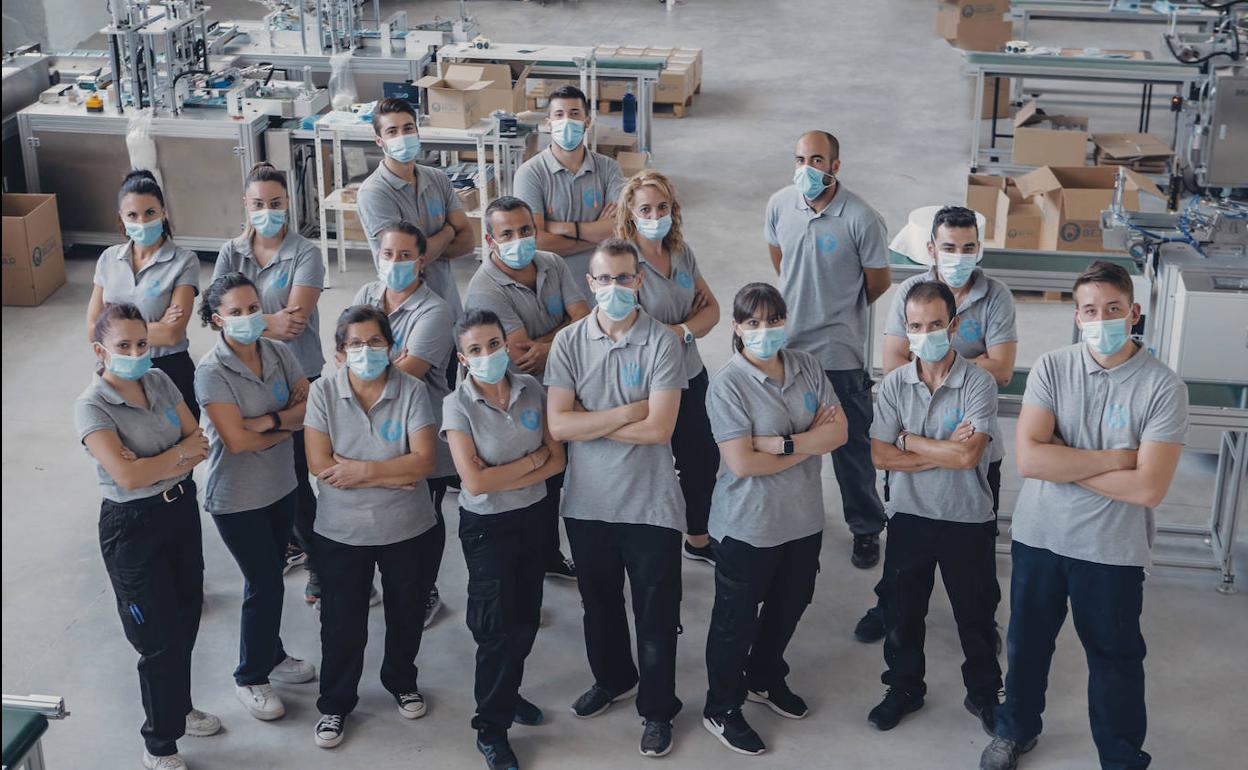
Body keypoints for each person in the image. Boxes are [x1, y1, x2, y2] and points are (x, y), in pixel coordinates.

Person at [982, 262, 1188, 770]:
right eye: (1091, 310)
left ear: (1134, 313)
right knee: (1026, 645)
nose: (1102, 319)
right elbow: (1030, 460)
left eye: (1113, 309)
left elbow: (1148, 487)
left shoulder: (1163, 388)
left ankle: (1120, 757)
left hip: (1111, 550)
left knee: (1114, 659)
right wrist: (1116, 458)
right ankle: (1016, 730)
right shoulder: (1053, 367)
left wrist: (1066, 463)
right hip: (1041, 538)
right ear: (1077, 316)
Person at [545, 238, 687, 757]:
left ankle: (657, 707)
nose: (614, 289)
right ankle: (612, 679)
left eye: (624, 278)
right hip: (587, 504)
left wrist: (592, 421)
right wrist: (629, 411)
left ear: (639, 281)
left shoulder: (662, 343)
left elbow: (660, 430)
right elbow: (558, 425)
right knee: (598, 605)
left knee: (655, 613)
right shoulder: (568, 343)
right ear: (590, 283)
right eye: (604, 279)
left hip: (650, 506)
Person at [855, 205, 1016, 643]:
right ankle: (889, 606)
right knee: (905, 546)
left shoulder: (996, 295)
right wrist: (919, 440)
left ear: (979, 248)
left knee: (977, 549)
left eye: (968, 247)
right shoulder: (909, 290)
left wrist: (940, 367)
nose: (958, 255)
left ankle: (983, 621)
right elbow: (893, 365)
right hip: (916, 432)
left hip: (976, 441)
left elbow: (1001, 371)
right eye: (949, 247)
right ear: (931, 248)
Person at [701, 283, 846, 756]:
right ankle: (721, 706)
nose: (766, 331)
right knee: (734, 621)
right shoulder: (727, 384)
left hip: (802, 518)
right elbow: (742, 464)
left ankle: (763, 677)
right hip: (749, 523)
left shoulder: (807, 366)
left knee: (791, 603)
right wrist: (807, 442)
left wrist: (780, 444)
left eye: (774, 320)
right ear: (737, 329)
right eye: (754, 322)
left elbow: (839, 431)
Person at [76, 303, 220, 770]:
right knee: (156, 637)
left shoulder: (158, 379)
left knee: (186, 616)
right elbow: (126, 478)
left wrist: (156, 463)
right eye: (124, 346)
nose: (136, 353)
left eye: (142, 343)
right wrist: (171, 458)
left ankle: (179, 707)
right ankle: (160, 743)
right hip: (131, 527)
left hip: (180, 511)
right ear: (101, 350)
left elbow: (199, 440)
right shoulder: (92, 406)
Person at [303, 305, 444, 750]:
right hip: (341, 532)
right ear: (340, 352)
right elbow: (320, 464)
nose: (366, 351)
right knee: (341, 622)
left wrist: (361, 472)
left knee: (406, 612)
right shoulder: (323, 392)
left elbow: (423, 462)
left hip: (408, 527)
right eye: (355, 344)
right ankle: (335, 703)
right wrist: (392, 472)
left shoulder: (412, 390)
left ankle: (401, 680)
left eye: (376, 342)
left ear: (393, 347)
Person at [865, 280, 1002, 733]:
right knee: (904, 614)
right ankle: (904, 687)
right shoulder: (894, 384)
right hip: (910, 517)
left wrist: (908, 440)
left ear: (954, 325)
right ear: (906, 330)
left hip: (966, 519)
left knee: (976, 617)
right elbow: (880, 456)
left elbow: (969, 457)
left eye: (937, 324)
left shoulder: (978, 382)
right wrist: (938, 450)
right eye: (917, 326)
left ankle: (985, 694)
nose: (927, 334)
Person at [442, 308, 568, 770]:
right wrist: (531, 464)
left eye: (493, 345)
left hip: (534, 518)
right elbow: (474, 483)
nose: (488, 355)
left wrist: (510, 472)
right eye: (475, 349)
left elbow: (558, 461)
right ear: (462, 357)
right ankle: (491, 728)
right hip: (487, 528)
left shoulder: (533, 390)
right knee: (495, 629)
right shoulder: (456, 405)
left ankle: (508, 693)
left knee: (525, 618)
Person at [194, 272, 317, 722]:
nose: (248, 318)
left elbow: (310, 410)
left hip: (280, 485)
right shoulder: (211, 372)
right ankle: (250, 675)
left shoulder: (278, 352)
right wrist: (284, 420)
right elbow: (236, 442)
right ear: (216, 319)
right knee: (263, 582)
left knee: (270, 580)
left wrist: (265, 422)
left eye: (253, 309)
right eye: (236, 312)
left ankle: (273, 654)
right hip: (237, 497)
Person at [765, 130, 890, 568]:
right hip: (789, 346)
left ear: (835, 166)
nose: (806, 169)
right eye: (800, 159)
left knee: (850, 446)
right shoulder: (780, 205)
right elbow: (780, 259)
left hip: (839, 351)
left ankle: (866, 528)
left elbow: (877, 282)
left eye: (816, 160)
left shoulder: (861, 218)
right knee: (790, 441)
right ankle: (790, 521)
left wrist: (837, 308)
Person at [213, 160, 327, 603]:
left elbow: (293, 325)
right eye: (258, 203)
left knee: (296, 472)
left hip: (296, 376)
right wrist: (266, 322)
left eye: (275, 203)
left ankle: (321, 561)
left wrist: (245, 322)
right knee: (257, 468)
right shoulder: (231, 252)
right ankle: (289, 544)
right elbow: (218, 319)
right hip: (244, 378)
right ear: (246, 204)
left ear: (289, 204)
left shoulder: (305, 253)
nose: (267, 211)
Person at [463, 196, 588, 580]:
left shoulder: (551, 263)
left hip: (560, 387)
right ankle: (530, 560)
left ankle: (549, 553)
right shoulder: (485, 288)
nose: (519, 239)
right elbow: (520, 357)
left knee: (557, 477)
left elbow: (585, 318)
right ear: (490, 239)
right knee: (531, 482)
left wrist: (548, 344)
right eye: (507, 234)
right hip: (514, 400)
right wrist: (562, 339)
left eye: (525, 230)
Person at [615, 169, 722, 565]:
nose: (654, 214)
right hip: (647, 382)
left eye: (662, 206)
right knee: (648, 464)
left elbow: (712, 310)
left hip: (690, 372)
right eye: (646, 208)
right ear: (630, 210)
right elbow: (630, 327)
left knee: (702, 458)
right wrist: (684, 327)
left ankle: (696, 537)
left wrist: (680, 331)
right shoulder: (623, 261)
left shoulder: (680, 251)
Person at [353, 222, 456, 627]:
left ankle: (425, 588)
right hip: (369, 427)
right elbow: (346, 355)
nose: (394, 263)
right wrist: (374, 363)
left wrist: (368, 363)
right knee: (379, 504)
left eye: (405, 256)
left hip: (419, 429)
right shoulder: (365, 295)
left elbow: (409, 374)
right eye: (387, 254)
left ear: (421, 260)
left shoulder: (435, 311)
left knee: (424, 515)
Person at [87, 170, 201, 419]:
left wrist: (117, 335)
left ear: (163, 211)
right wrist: (155, 327)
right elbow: (92, 328)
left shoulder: (184, 261)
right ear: (122, 218)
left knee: (182, 446)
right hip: (116, 372)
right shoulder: (109, 258)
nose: (141, 222)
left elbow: (171, 335)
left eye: (150, 212)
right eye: (132, 215)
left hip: (170, 369)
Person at [356, 97, 476, 321]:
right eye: (392, 131)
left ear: (418, 132)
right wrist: (449, 232)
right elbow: (403, 261)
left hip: (446, 300)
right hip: (406, 310)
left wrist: (425, 252)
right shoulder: (374, 193)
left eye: (408, 128)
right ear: (379, 141)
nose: (402, 136)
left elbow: (468, 242)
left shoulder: (437, 179)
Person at [514, 84, 626, 303]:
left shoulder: (609, 168)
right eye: (559, 114)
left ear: (587, 121)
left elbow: (621, 228)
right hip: (552, 286)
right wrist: (596, 237)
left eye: (574, 114)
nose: (567, 120)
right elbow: (535, 241)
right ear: (548, 124)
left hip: (604, 284)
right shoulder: (530, 174)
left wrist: (565, 228)